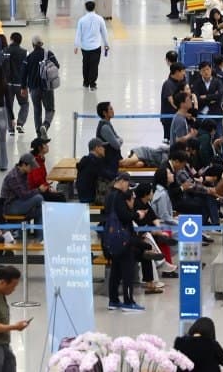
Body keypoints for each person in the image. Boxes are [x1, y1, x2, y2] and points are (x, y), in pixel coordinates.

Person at [105, 177, 146, 311]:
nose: (128, 188)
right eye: (128, 184)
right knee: (127, 272)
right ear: (122, 181)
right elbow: (125, 216)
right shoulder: (119, 197)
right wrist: (137, 215)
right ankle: (128, 302)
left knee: (115, 271)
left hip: (111, 239)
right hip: (123, 240)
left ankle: (114, 299)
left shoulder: (109, 195)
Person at [20, 35, 59, 139]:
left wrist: (23, 88)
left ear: (33, 45)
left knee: (37, 111)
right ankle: (45, 126)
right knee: (50, 109)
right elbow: (57, 66)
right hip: (47, 87)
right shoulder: (48, 54)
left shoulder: (28, 57)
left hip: (33, 89)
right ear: (42, 44)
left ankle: (38, 134)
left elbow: (23, 73)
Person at [0, 154, 46, 238]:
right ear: (24, 165)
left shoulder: (23, 174)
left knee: (39, 210)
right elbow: (24, 195)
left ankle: (40, 237)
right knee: (39, 198)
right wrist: (38, 190)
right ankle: (39, 236)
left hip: (19, 203)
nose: (32, 169)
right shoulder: (13, 177)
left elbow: (27, 192)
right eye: (31, 167)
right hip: (10, 206)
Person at [75, 1, 110, 91]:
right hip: (96, 47)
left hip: (85, 47)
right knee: (94, 66)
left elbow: (78, 34)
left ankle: (85, 82)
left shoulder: (81, 20)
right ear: (94, 8)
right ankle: (92, 84)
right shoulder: (100, 19)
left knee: (85, 64)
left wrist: (76, 46)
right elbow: (104, 32)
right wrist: (106, 44)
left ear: (86, 8)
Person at [191, 61, 223, 136]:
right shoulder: (196, 83)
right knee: (201, 136)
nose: (206, 72)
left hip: (215, 113)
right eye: (203, 70)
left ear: (211, 69)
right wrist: (212, 97)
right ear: (200, 72)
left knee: (219, 136)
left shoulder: (218, 81)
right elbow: (197, 98)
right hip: (201, 113)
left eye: (208, 69)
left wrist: (205, 97)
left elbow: (220, 95)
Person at [75, 138, 115, 203]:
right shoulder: (94, 161)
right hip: (91, 197)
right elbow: (108, 176)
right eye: (102, 147)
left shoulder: (86, 160)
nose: (104, 149)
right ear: (96, 148)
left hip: (82, 196)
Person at [27, 137, 66, 202]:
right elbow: (38, 181)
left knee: (60, 195)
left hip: (40, 189)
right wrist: (49, 188)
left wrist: (48, 186)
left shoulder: (40, 159)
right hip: (35, 192)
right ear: (40, 148)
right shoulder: (35, 162)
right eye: (45, 144)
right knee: (61, 197)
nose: (47, 146)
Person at [5, 33, 29, 135]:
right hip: (20, 84)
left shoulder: (5, 51)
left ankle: (10, 129)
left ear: (11, 39)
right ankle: (20, 123)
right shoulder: (25, 52)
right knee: (24, 104)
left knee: (8, 106)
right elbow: (28, 68)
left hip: (7, 84)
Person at [161, 62, 188, 143]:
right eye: (183, 71)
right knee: (171, 140)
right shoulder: (168, 84)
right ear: (177, 72)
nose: (184, 74)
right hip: (169, 118)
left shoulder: (181, 83)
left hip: (178, 117)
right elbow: (172, 101)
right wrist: (182, 110)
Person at [96, 101, 124, 174]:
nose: (113, 111)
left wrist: (118, 140)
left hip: (111, 160)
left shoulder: (107, 124)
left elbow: (118, 139)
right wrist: (119, 140)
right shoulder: (105, 127)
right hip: (109, 162)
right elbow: (117, 145)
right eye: (110, 109)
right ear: (104, 113)